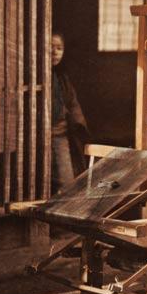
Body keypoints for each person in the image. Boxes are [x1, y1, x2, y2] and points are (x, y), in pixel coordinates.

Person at [51, 32, 90, 194]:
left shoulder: (62, 77)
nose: (55, 52)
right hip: (38, 137)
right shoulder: (34, 76)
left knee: (67, 181)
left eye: (59, 48)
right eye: (50, 47)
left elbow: (73, 106)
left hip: (61, 134)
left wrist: (79, 128)